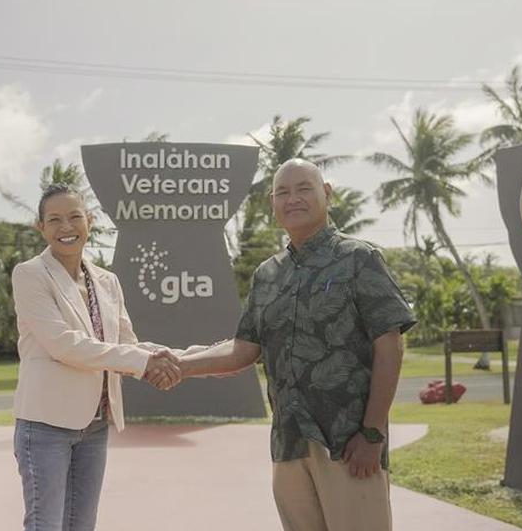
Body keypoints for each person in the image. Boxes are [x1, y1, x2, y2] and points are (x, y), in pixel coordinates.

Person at [175, 159, 416, 531]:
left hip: (348, 443)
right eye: (282, 192)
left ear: (327, 194)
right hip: (289, 442)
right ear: (273, 202)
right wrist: (179, 363)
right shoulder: (267, 275)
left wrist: (372, 433)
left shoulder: (359, 259)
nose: (293, 199)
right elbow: (243, 349)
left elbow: (390, 346)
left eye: (304, 188)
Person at [11, 183, 179, 531]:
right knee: (46, 526)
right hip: (45, 427)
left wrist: (172, 358)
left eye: (75, 217)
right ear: (40, 227)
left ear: (89, 221)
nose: (66, 227)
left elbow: (127, 342)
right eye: (54, 219)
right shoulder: (29, 275)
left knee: (81, 526)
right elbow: (64, 345)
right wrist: (143, 362)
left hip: (95, 423)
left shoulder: (108, 281)